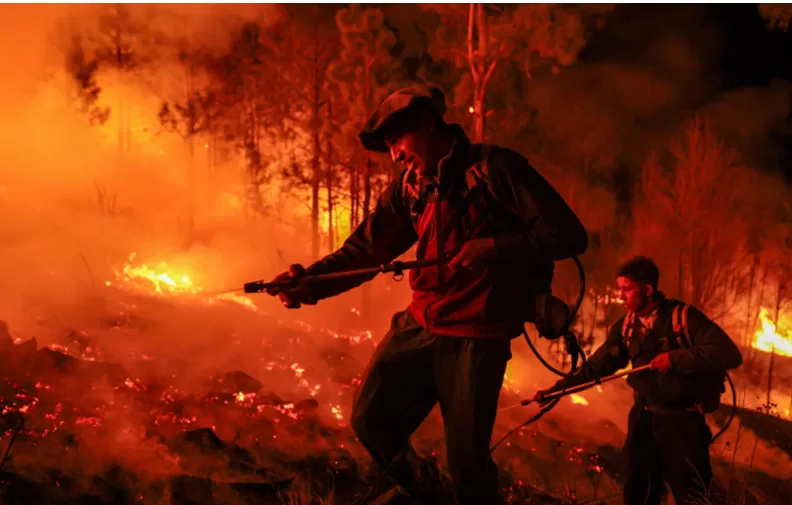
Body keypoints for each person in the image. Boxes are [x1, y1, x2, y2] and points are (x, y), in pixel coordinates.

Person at [268, 84, 588, 505]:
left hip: (477, 337)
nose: (395, 155)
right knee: (371, 422)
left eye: (397, 140)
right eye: (388, 147)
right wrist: (308, 283)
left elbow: (567, 234)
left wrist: (492, 247)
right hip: (419, 325)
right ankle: (427, 491)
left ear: (426, 124)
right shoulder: (411, 189)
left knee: (468, 466)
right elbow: (367, 250)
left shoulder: (495, 169)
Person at [532, 256, 743, 505]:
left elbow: (728, 353)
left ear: (648, 289)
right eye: (619, 288)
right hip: (642, 419)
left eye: (627, 289)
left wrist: (674, 359)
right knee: (637, 493)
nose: (621, 296)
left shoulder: (683, 318)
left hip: (682, 424)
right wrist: (556, 390)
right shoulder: (627, 326)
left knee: (692, 495)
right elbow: (597, 366)